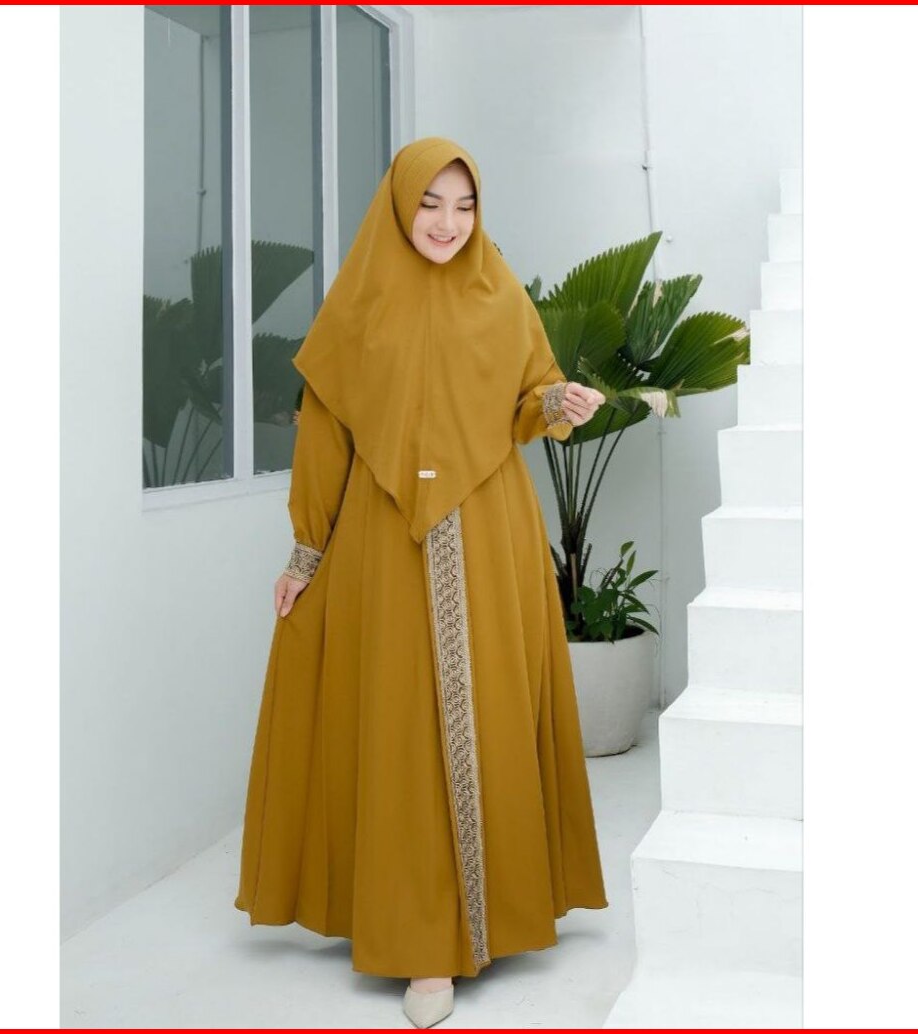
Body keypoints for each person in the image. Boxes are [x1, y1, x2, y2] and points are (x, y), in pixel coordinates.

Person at [234, 136, 608, 1029]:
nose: (448, 222)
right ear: (401, 205)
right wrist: (305, 554)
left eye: (464, 205)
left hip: (489, 532)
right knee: (402, 730)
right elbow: (325, 432)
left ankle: (498, 911)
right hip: (384, 541)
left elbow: (528, 399)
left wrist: (560, 404)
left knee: (488, 712)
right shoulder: (359, 301)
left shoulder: (501, 294)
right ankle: (420, 940)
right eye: (431, 203)